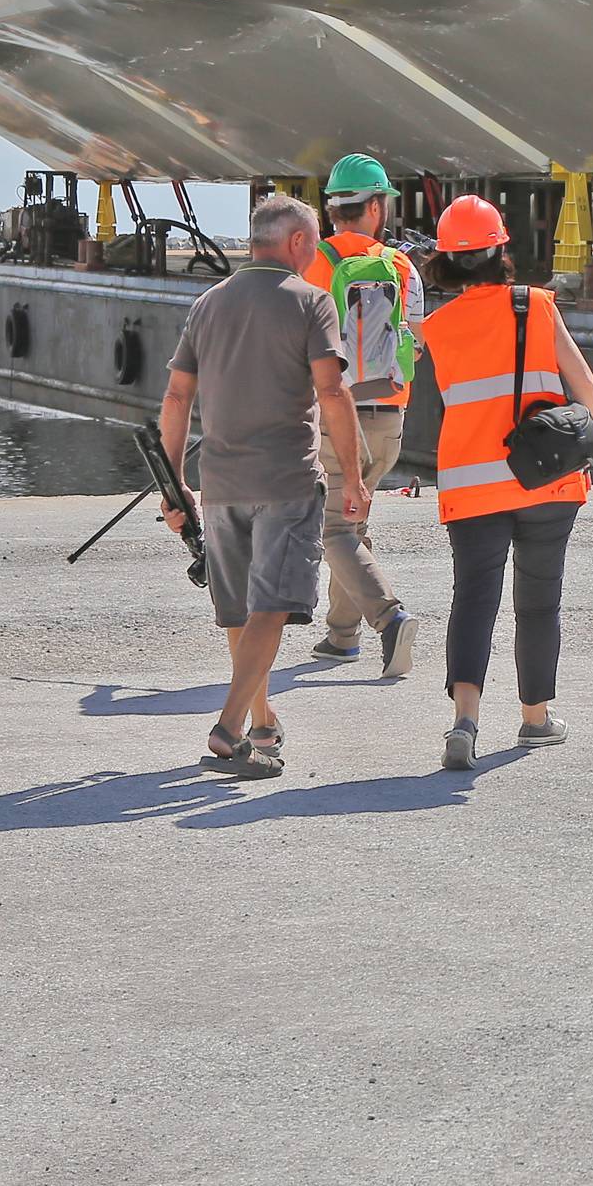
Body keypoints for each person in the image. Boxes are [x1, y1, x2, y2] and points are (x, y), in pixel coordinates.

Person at [158, 193, 368, 779]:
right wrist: (353, 475)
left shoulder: (207, 303)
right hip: (286, 481)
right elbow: (332, 392)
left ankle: (264, 722)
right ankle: (229, 731)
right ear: (298, 242)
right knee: (271, 608)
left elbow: (177, 397)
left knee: (241, 612)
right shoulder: (311, 302)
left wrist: (175, 487)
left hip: (220, 483)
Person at [419, 194, 593, 769]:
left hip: (470, 486)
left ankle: (464, 721)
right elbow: (585, 389)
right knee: (539, 600)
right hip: (544, 480)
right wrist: (574, 446)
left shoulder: (436, 327)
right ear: (501, 249)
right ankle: (535, 717)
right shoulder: (537, 307)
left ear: (446, 261)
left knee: (473, 598)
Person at [302, 153, 425, 676]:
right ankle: (341, 635)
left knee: (333, 530)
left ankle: (389, 618)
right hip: (390, 415)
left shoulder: (313, 263)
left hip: (336, 414)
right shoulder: (402, 267)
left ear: (333, 210)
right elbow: (414, 345)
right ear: (375, 207)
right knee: (353, 521)